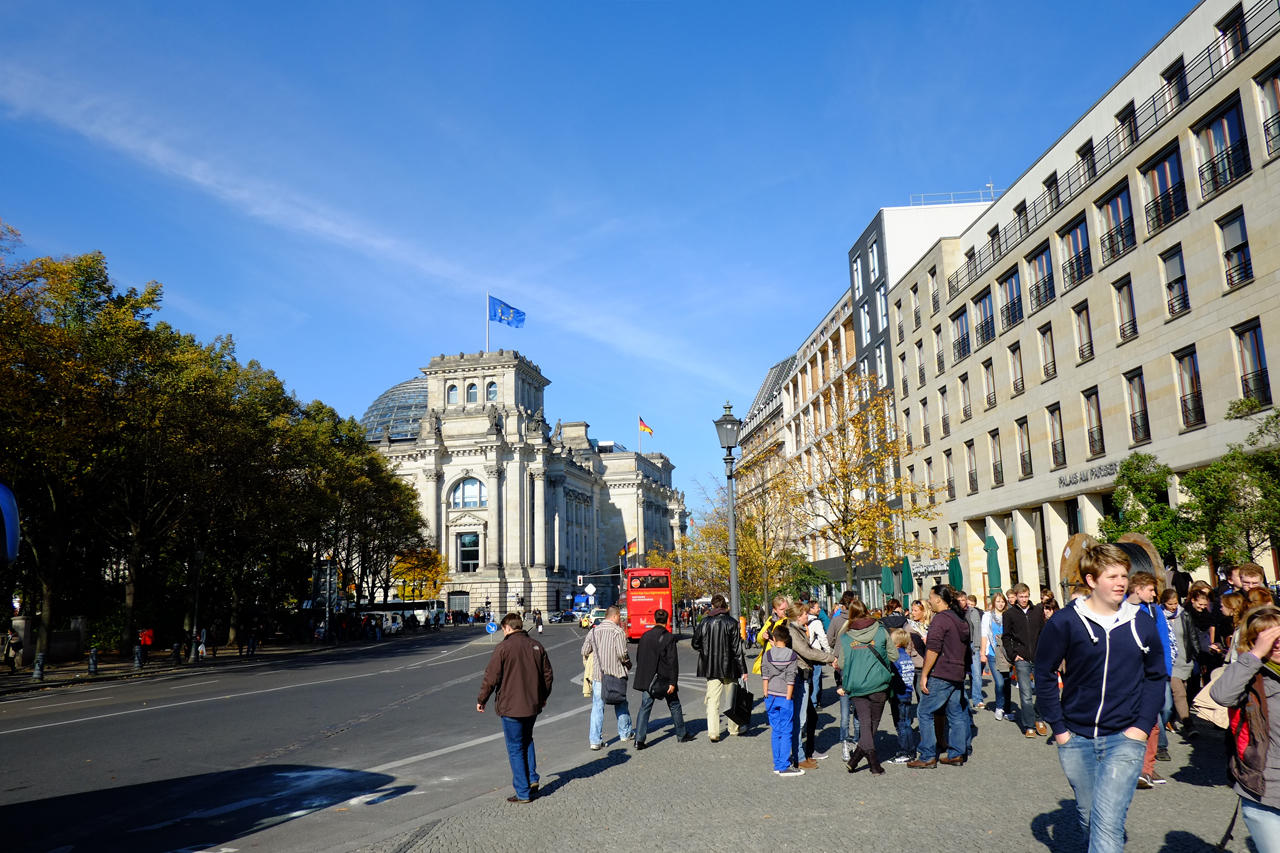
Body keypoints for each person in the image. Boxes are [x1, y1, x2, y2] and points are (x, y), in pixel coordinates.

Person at [1036, 543, 1166, 853]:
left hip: (1125, 737)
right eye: (1112, 576)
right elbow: (1043, 672)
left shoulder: (1141, 622)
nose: (1121, 583)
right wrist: (1059, 729)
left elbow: (1155, 675)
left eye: (1124, 575)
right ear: (1092, 580)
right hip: (1076, 737)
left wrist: (1141, 727)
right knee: (1089, 817)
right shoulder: (1065, 621)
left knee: (1107, 821)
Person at [1210, 605, 1280, 850]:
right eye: (1268, 638)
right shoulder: (1250, 677)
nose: (1277, 644)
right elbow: (1221, 695)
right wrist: (1255, 655)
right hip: (1265, 791)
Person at [477, 612, 554, 804]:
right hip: (532, 704)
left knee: (515, 747)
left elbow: (491, 677)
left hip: (511, 706)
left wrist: (482, 699)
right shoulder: (536, 646)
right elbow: (548, 675)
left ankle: (523, 792)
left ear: (507, 628)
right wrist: (542, 697)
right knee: (527, 740)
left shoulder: (503, 648)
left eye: (503, 629)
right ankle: (532, 778)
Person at [908, 585, 972, 768]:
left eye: (930, 597)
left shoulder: (941, 619)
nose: (929, 601)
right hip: (957, 672)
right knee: (956, 713)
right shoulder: (960, 618)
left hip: (941, 672)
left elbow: (933, 649)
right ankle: (957, 753)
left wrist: (924, 674)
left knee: (924, 711)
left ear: (938, 599)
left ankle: (927, 755)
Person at [1125, 571, 1173, 788]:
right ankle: (1137, 768)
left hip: (1152, 675)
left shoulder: (1155, 611)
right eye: (1151, 590)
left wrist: (1166, 672)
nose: (1155, 594)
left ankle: (1146, 768)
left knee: (1156, 719)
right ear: (1138, 589)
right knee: (1131, 721)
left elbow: (1164, 642)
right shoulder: (1119, 609)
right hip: (1128, 676)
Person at [836, 600, 892, 775]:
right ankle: (873, 763)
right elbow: (893, 655)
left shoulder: (846, 637)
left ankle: (856, 758)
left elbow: (842, 664)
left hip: (856, 684)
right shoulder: (881, 630)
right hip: (878, 683)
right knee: (873, 724)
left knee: (866, 723)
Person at [786, 601, 837, 768]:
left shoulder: (798, 630)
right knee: (800, 719)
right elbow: (807, 652)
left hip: (803, 674)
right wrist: (830, 658)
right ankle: (799, 757)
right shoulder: (793, 632)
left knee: (808, 716)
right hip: (799, 675)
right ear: (797, 616)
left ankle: (804, 753)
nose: (807, 616)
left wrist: (826, 659)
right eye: (804, 613)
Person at [631, 609, 691, 749]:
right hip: (664, 679)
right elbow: (672, 662)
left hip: (649, 680)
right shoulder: (669, 637)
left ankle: (639, 740)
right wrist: (673, 682)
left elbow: (639, 657)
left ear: (654, 620)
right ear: (667, 620)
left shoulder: (645, 636)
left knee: (645, 707)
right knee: (674, 705)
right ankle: (681, 734)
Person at [691, 593, 747, 742]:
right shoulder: (732, 622)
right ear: (724, 606)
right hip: (730, 667)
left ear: (712, 606)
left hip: (711, 668)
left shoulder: (704, 622)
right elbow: (737, 649)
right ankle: (733, 729)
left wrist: (705, 651)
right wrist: (743, 670)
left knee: (712, 701)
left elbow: (695, 643)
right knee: (731, 699)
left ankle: (713, 733)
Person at [580, 606, 633, 750]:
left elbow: (584, 650)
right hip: (616, 675)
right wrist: (628, 663)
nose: (620, 620)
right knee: (620, 703)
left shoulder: (593, 631)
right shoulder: (618, 632)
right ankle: (625, 734)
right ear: (615, 616)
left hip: (599, 675)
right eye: (619, 617)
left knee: (597, 707)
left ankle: (595, 741)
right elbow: (622, 654)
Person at [1004, 582, 1048, 738]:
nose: (1024, 599)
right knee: (1026, 694)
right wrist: (1013, 655)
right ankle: (1029, 725)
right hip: (1021, 658)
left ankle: (1039, 718)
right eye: (1021, 596)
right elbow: (1006, 637)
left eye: (1026, 596)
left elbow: (1044, 632)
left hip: (1039, 656)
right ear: (1015, 596)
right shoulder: (1009, 614)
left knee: (1042, 691)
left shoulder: (1037, 611)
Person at [761, 625, 803, 777]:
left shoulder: (768, 654)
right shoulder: (791, 655)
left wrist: (765, 693)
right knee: (786, 731)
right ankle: (784, 765)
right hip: (785, 695)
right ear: (787, 639)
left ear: (774, 638)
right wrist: (788, 697)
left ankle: (777, 763)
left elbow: (765, 675)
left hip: (770, 695)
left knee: (776, 730)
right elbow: (791, 678)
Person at [1162, 587, 1199, 738]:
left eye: (1175, 603)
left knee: (1185, 691)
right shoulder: (1159, 617)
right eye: (1170, 604)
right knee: (1179, 692)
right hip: (1170, 662)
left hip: (1185, 659)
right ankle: (1188, 724)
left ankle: (1172, 718)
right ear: (1164, 603)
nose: (1173, 607)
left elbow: (1192, 636)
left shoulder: (1184, 615)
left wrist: (1197, 655)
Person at [888, 627, 918, 763]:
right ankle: (908, 749)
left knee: (901, 724)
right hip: (907, 692)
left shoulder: (895, 657)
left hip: (898, 693)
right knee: (906, 722)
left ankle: (906, 751)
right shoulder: (906, 656)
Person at [982, 592, 1013, 721]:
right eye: (998, 601)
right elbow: (984, 634)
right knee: (999, 683)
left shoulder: (1008, 615)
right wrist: (982, 653)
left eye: (1002, 601)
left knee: (1007, 682)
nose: (1000, 604)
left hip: (1007, 654)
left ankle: (1007, 709)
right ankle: (999, 707)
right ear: (994, 602)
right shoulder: (987, 616)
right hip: (993, 654)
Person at [807, 599, 833, 710]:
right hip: (815, 653)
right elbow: (823, 638)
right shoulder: (816, 622)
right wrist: (828, 652)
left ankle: (809, 701)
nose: (819, 609)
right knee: (816, 678)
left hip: (806, 652)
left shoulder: (804, 619)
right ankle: (814, 702)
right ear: (811, 608)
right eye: (817, 607)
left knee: (808, 678)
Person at [962, 592, 984, 709]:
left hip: (972, 644)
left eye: (963, 600)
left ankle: (977, 698)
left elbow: (977, 630)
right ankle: (964, 700)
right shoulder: (955, 612)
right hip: (960, 645)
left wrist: (977, 646)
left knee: (976, 673)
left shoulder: (973, 611)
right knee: (960, 674)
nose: (962, 602)